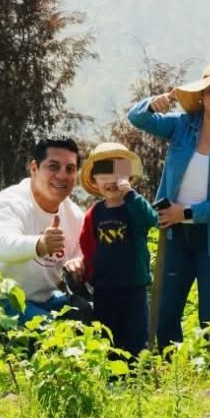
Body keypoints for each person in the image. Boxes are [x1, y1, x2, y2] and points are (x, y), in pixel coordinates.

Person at [127, 60, 210, 348]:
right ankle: (174, 377)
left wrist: (186, 212)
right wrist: (158, 101)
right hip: (175, 235)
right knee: (164, 314)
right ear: (202, 94)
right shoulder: (182, 126)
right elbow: (137, 118)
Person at [0, 137, 86, 323]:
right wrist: (40, 244)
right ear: (34, 169)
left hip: (45, 301)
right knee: (51, 335)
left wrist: (78, 263)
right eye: (53, 167)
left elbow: (81, 254)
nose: (62, 175)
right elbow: (2, 245)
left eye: (70, 169)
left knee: (95, 314)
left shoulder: (75, 215)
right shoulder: (9, 203)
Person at [78, 142, 159, 357]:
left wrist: (132, 195)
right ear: (95, 180)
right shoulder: (93, 214)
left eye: (118, 174)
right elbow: (87, 246)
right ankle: (113, 375)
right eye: (104, 175)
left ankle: (135, 375)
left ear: (128, 178)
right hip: (104, 287)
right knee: (108, 335)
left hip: (134, 285)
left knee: (135, 334)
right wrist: (87, 275)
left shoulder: (134, 207)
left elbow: (152, 219)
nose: (111, 181)